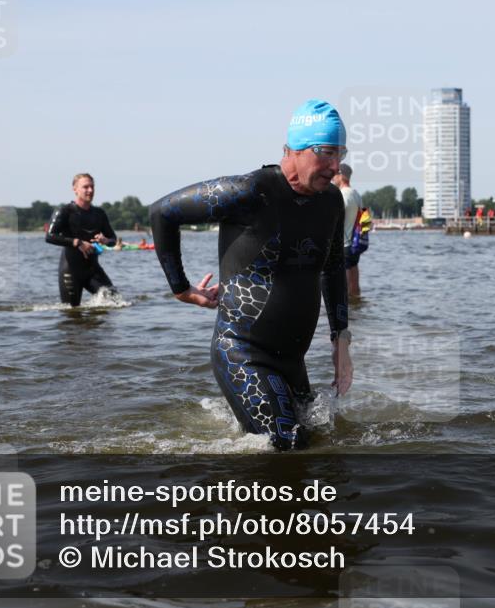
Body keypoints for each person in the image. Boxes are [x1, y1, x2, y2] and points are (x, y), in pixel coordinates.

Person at [149, 99, 352, 451]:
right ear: (295, 149)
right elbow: (162, 212)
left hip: (292, 360)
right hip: (242, 352)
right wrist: (181, 289)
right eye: (326, 153)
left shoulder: (332, 201)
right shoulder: (249, 192)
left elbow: (333, 268)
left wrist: (341, 341)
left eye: (341, 154)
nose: (335, 166)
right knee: (288, 445)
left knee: (323, 442)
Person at [45, 173, 118, 306]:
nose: (90, 190)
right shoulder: (65, 211)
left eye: (92, 187)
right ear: (75, 189)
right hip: (70, 271)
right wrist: (77, 242)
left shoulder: (99, 214)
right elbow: (49, 236)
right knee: (72, 312)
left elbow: (113, 239)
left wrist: (105, 240)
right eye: (85, 187)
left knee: (115, 301)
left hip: (93, 270)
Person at [333, 163, 363, 297]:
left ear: (341, 175)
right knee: (354, 281)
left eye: (335, 174)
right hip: (355, 244)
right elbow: (365, 219)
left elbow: (336, 218)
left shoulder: (342, 195)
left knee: (342, 285)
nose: (332, 178)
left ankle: (347, 305)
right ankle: (356, 303)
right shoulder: (356, 194)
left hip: (344, 244)